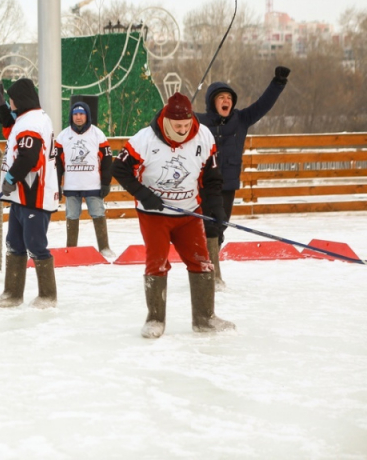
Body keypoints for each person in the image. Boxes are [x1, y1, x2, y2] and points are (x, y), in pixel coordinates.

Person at [112, 92, 234, 339]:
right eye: (177, 126)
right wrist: (143, 194)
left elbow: (211, 178)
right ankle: (155, 318)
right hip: (154, 213)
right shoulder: (144, 139)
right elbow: (119, 168)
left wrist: (217, 207)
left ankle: (204, 318)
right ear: (167, 120)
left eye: (186, 125)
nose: (182, 130)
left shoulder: (203, 136)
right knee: (156, 262)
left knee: (201, 261)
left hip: (189, 212)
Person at [195, 66, 290, 289]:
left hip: (227, 183)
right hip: (203, 183)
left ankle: (209, 261)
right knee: (207, 225)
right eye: (221, 97)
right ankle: (211, 272)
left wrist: (278, 82)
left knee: (221, 225)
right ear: (212, 102)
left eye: (229, 97)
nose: (226, 100)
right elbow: (173, 121)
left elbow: (263, 104)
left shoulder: (241, 119)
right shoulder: (199, 121)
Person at [0, 78, 60, 309]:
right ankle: (12, 293)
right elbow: (11, 129)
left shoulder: (33, 122)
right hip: (21, 195)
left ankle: (48, 295)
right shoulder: (26, 119)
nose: (9, 102)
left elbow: (30, 157)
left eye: (10, 99)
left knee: (35, 243)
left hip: (34, 194)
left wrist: (11, 178)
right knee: (14, 242)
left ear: (20, 100)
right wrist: (0, 106)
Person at [55, 101, 114, 258]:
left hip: (92, 184)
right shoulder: (63, 136)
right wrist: (57, 184)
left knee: (98, 213)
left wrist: (106, 182)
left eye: (81, 114)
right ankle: (71, 249)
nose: (78, 117)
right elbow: (57, 164)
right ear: (71, 116)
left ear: (87, 115)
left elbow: (107, 160)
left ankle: (104, 247)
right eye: (75, 114)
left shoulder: (97, 134)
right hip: (72, 185)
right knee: (71, 215)